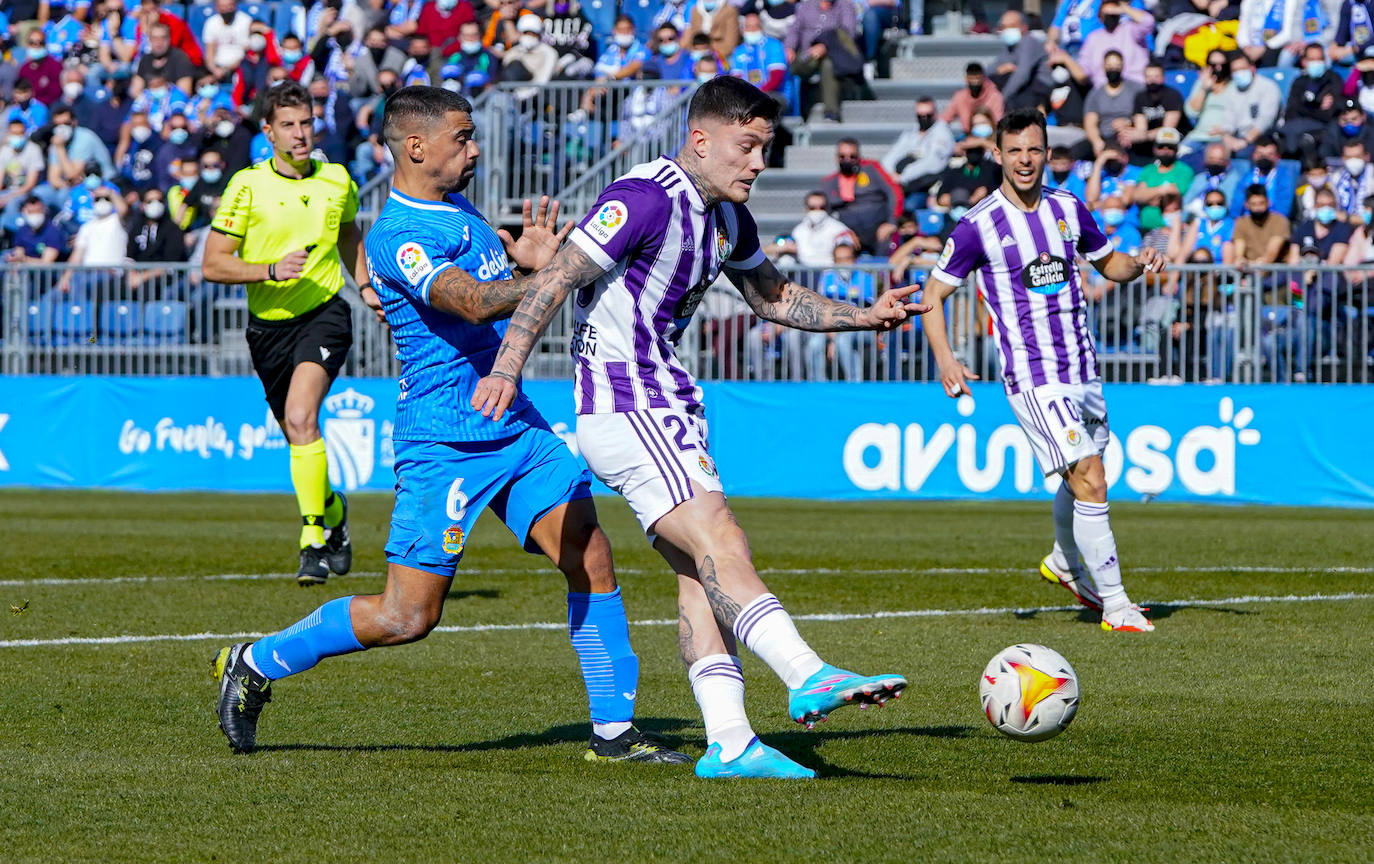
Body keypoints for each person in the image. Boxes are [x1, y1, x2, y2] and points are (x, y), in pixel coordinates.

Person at [211, 85, 689, 767]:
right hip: (445, 439)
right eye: (462, 137)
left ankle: (614, 733)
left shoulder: (458, 209)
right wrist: (560, 271)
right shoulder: (398, 234)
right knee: (408, 617)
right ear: (416, 147)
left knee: (590, 555)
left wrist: (525, 258)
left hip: (512, 421)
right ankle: (256, 661)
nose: (473, 147)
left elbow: (490, 282)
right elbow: (468, 304)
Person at [469, 77, 914, 779]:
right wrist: (506, 368)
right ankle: (806, 670)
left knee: (697, 574)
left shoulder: (729, 219)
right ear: (701, 140)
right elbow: (556, 277)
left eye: (765, 148)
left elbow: (773, 298)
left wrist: (866, 313)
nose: (758, 163)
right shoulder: (643, 197)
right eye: (747, 146)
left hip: (664, 405)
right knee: (722, 538)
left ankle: (731, 742)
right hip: (630, 403)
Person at [915, 107, 1160, 633]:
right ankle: (1116, 605)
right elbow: (932, 296)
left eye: (1034, 150)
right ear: (998, 155)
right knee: (1090, 479)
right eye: (1015, 151)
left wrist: (1138, 263)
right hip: (1033, 375)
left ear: (1047, 153)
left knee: (1087, 474)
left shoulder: (1069, 207)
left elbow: (1110, 265)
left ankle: (1062, 558)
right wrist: (946, 358)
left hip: (1083, 369)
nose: (1025, 160)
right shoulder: (978, 226)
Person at [201, 81, 373, 585]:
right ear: (268, 133)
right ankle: (335, 515)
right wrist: (270, 270)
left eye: (306, 123)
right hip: (266, 330)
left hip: (324, 313)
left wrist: (363, 286)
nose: (300, 134)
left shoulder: (337, 179)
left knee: (302, 416)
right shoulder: (247, 186)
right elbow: (213, 263)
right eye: (289, 126)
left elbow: (347, 232)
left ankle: (313, 540)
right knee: (297, 434)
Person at [819, 137, 903, 253]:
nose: (847, 160)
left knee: (888, 248)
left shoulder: (872, 169)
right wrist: (842, 231)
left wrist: (891, 222)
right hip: (849, 233)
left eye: (852, 156)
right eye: (842, 156)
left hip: (879, 229)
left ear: (858, 157)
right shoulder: (829, 183)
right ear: (836, 158)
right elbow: (824, 213)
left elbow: (894, 192)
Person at [881, 96, 955, 200]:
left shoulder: (942, 133)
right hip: (900, 180)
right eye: (920, 115)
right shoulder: (912, 132)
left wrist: (904, 177)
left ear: (935, 113)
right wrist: (889, 173)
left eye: (928, 115)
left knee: (908, 204)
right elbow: (894, 153)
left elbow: (933, 162)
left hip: (925, 183)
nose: (924, 118)